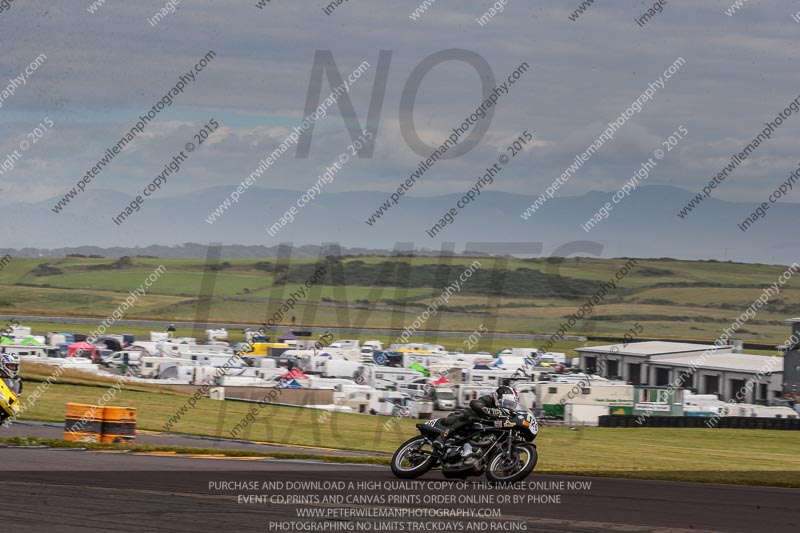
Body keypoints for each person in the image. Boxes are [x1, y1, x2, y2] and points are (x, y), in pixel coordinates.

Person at [432, 385, 519, 451]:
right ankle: (442, 437)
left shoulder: (506, 412)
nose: (508, 406)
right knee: (469, 417)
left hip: (480, 430)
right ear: (497, 398)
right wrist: (487, 410)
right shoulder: (488, 399)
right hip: (462, 417)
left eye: (511, 404)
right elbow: (475, 403)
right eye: (506, 403)